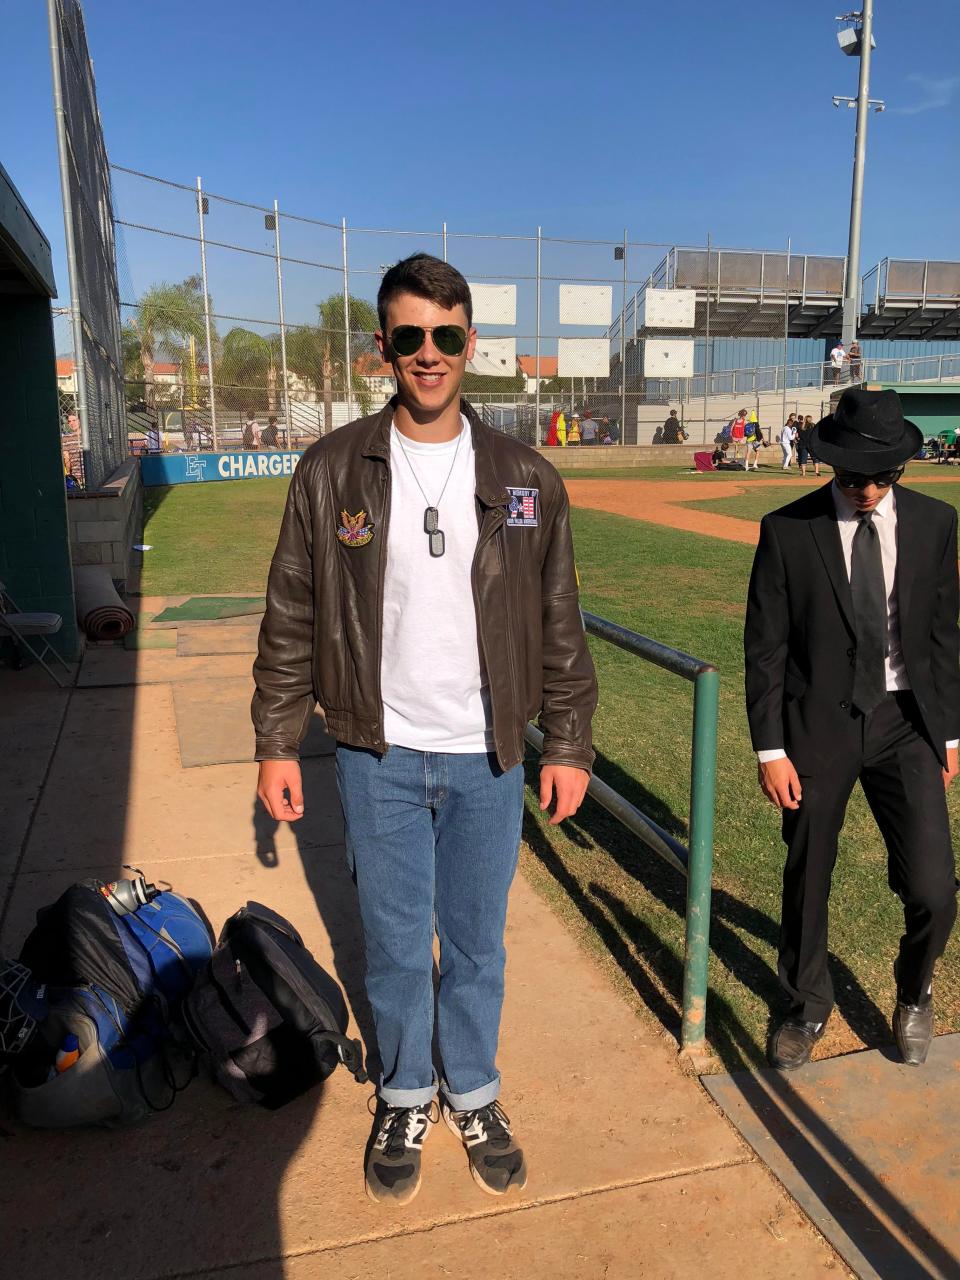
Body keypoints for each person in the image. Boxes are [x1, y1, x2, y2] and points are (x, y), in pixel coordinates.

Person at [252, 253, 597, 1204]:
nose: (431, 354)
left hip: (489, 751)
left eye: (448, 336)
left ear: (470, 345)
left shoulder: (525, 476)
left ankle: (473, 1091)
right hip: (378, 750)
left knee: (478, 939)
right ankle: (406, 1089)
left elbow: (557, 615)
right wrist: (278, 738)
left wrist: (565, 741)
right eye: (412, 337)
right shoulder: (332, 470)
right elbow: (292, 608)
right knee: (398, 938)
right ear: (384, 349)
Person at [744, 387, 959, 1071]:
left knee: (933, 887)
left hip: (906, 724)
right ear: (830, 464)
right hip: (819, 727)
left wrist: (950, 734)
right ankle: (806, 1005)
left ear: (902, 469)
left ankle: (915, 989)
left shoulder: (934, 524)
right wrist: (771, 748)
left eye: (882, 476)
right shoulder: (788, 530)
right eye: (851, 476)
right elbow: (766, 648)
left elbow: (943, 637)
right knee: (808, 873)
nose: (866, 490)